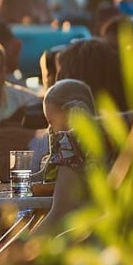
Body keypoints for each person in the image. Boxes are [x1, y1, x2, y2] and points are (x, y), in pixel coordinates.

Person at [35, 79, 96, 235]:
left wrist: (23, 249)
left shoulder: (71, 143)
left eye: (50, 121)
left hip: (82, 237)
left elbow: (59, 213)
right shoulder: (109, 136)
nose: (50, 129)